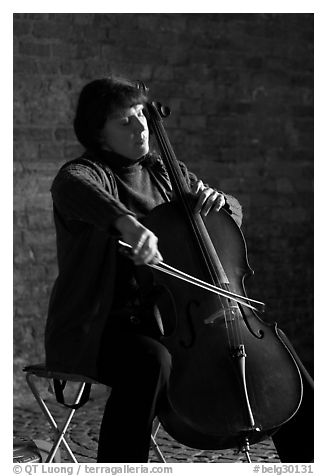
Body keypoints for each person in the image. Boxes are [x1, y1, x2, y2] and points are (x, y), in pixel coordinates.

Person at [44, 75, 313, 463]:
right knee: (152, 362)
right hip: (103, 327)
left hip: (175, 322)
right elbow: (71, 187)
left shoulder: (166, 172)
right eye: (124, 121)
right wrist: (126, 222)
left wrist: (221, 203)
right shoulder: (87, 174)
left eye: (141, 115)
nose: (140, 127)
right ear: (98, 135)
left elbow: (231, 215)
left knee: (282, 361)